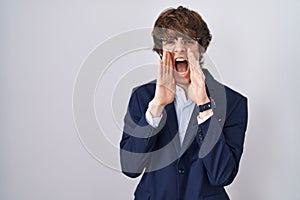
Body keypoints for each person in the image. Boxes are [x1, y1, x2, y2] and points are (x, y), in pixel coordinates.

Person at [120, 6, 248, 200]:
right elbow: (130, 167)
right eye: (170, 40)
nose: (180, 48)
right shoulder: (142, 97)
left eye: (188, 40)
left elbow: (222, 175)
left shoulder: (233, 102)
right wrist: (156, 107)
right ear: (160, 50)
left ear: (201, 49)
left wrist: (205, 107)